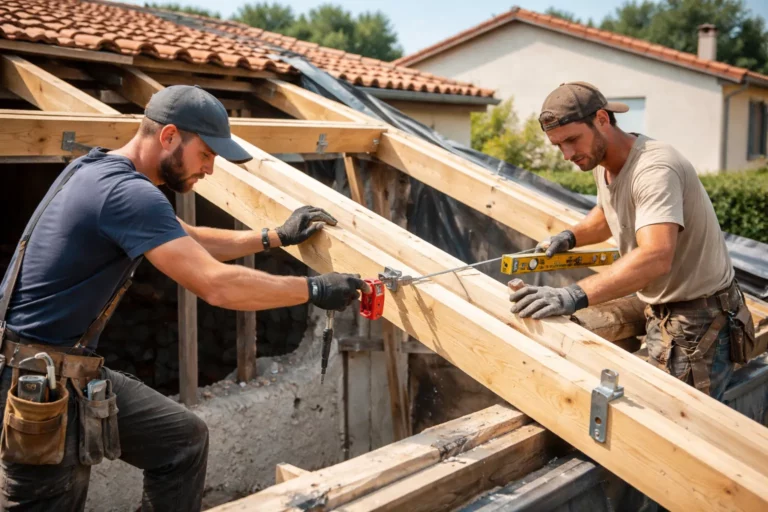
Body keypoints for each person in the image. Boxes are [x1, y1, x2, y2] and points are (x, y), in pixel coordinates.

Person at [0, 85, 368, 510]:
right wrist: (314, 288)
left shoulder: (98, 169)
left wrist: (274, 237)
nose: (210, 169)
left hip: (58, 367)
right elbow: (215, 284)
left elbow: (187, 239)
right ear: (170, 136)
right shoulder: (128, 194)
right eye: (206, 154)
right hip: (35, 384)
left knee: (182, 440)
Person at [509, 81, 754, 401]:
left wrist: (571, 295)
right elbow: (608, 213)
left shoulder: (654, 168)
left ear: (601, 119)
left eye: (571, 140)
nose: (567, 154)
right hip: (663, 307)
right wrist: (569, 238)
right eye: (559, 146)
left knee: (673, 428)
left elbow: (655, 255)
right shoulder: (601, 160)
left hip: (698, 320)